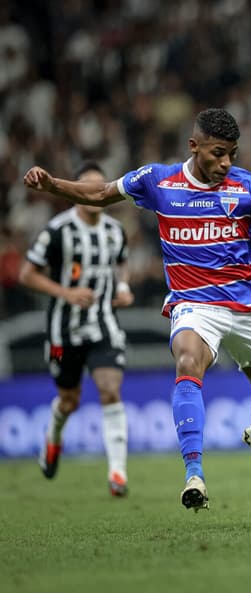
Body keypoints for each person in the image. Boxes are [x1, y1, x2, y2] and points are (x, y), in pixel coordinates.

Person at [23, 108, 251, 512]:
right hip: (193, 303)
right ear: (194, 147)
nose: (226, 162)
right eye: (218, 153)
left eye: (232, 153)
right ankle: (193, 474)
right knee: (187, 360)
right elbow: (99, 194)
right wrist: (52, 183)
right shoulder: (157, 180)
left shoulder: (248, 188)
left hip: (246, 306)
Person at [19, 162, 134, 497]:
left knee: (110, 389)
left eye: (99, 188)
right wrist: (66, 293)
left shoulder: (115, 231)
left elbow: (122, 262)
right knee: (68, 401)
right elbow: (27, 274)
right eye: (85, 187)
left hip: (104, 326)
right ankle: (53, 439)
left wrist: (123, 287)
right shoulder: (56, 231)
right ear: (74, 191)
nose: (91, 194)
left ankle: (118, 473)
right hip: (62, 332)